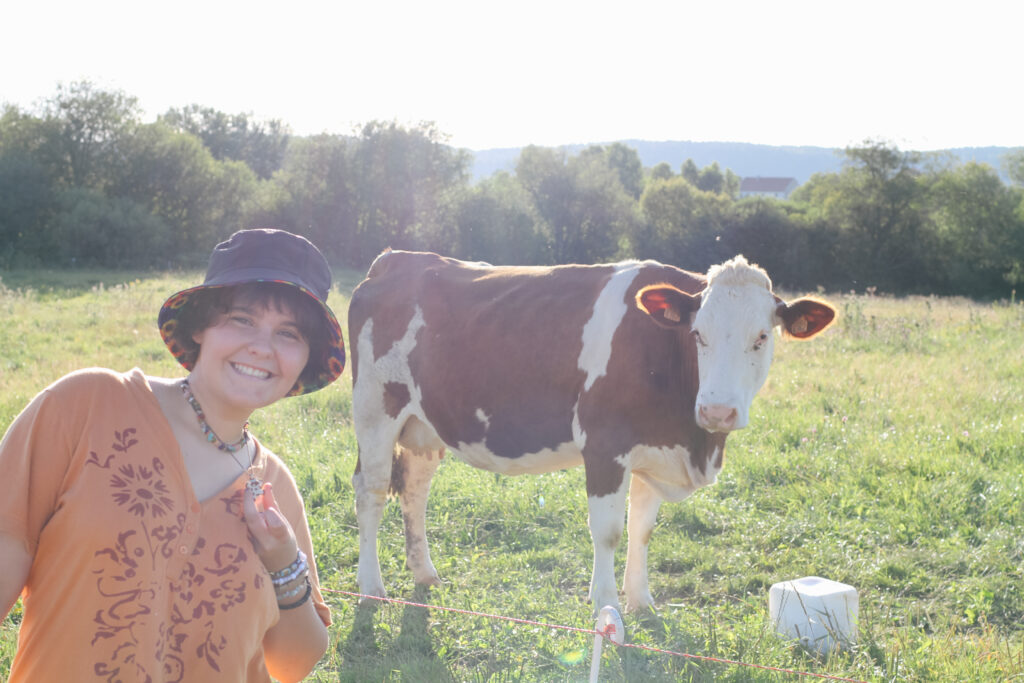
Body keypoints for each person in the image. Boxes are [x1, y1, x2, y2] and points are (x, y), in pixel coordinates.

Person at [0, 229, 346, 682]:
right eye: (242, 320)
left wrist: (285, 565)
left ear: (305, 360)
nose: (262, 347)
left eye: (288, 334)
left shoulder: (276, 487)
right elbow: (9, 542)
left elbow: (294, 663)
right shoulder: (85, 405)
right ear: (200, 325)